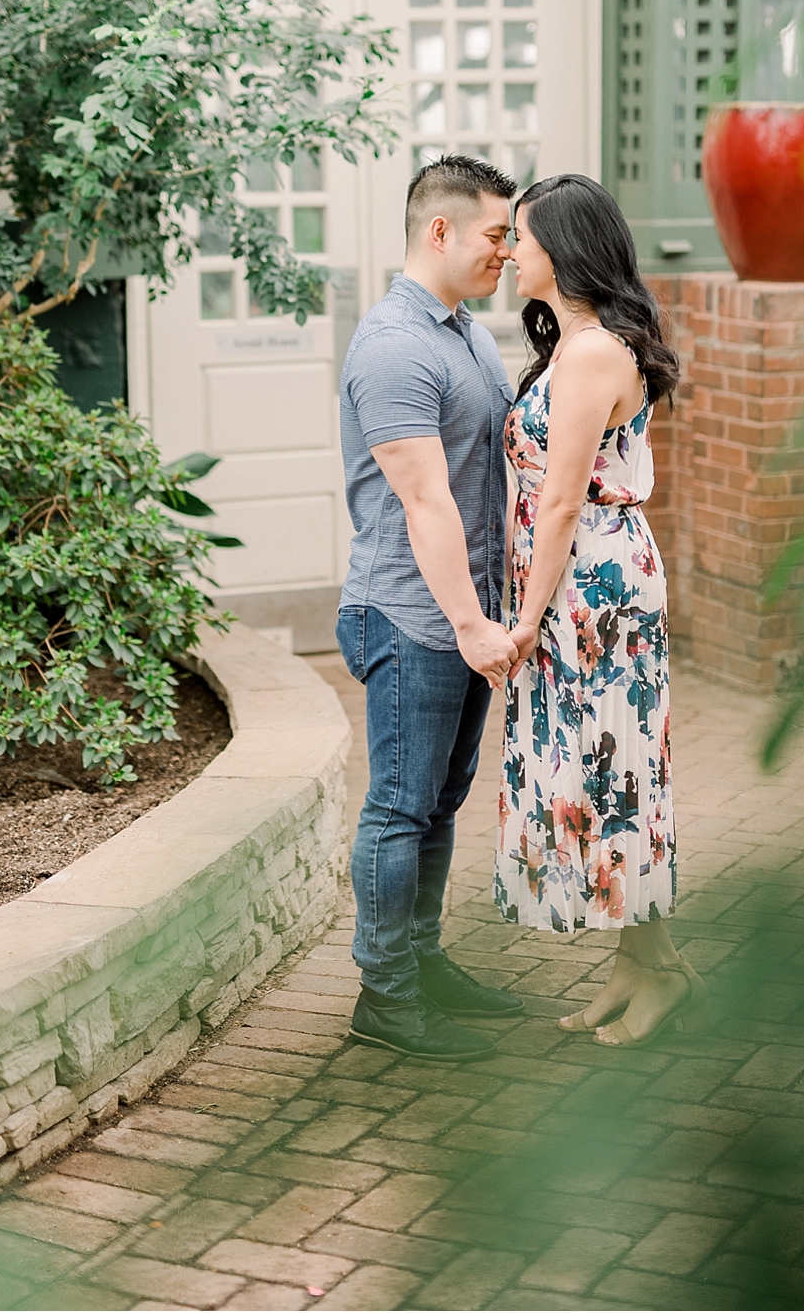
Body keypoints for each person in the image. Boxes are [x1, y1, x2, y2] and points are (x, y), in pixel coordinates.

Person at [496, 173, 709, 1046]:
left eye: (522, 237)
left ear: (565, 248)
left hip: (591, 591)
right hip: (589, 582)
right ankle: (641, 961)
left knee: (610, 772)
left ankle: (660, 970)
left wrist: (522, 620)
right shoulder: (585, 341)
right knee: (605, 769)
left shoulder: (588, 353)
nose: (511, 251)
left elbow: (559, 502)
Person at [337, 155, 527, 1059]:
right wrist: (468, 624)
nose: (509, 251)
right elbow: (426, 502)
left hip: (467, 611)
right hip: (413, 615)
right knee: (399, 808)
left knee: (442, 803)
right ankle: (386, 990)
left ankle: (423, 959)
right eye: (497, 234)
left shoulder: (471, 336)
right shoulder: (391, 347)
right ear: (439, 230)